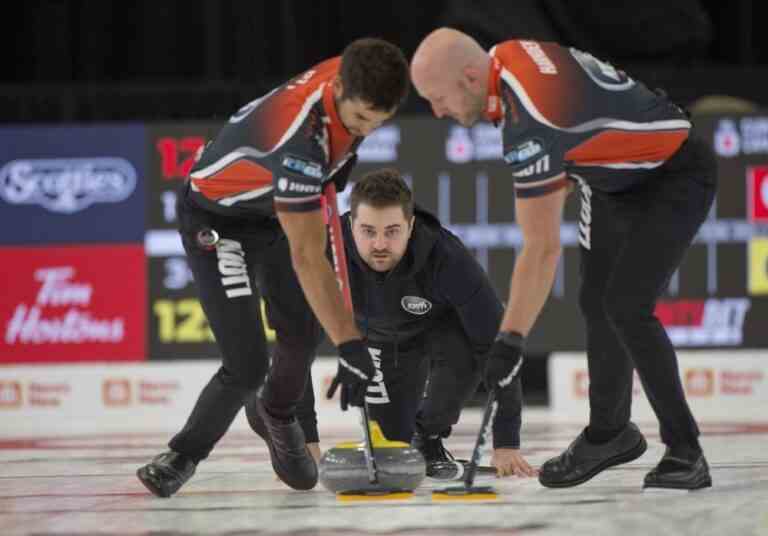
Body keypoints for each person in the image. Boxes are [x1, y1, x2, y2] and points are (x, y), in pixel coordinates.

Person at [410, 28, 716, 490]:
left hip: (673, 174)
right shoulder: (505, 57)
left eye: (439, 98)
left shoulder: (528, 118)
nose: (438, 112)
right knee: (596, 301)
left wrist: (509, 343)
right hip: (613, 179)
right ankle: (610, 433)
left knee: (626, 306)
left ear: (471, 77)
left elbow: (541, 248)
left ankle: (685, 451)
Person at [136, 38, 410, 497]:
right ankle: (183, 455)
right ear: (339, 88)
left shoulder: (353, 72)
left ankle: (276, 411)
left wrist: (345, 154)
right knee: (246, 365)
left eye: (379, 122)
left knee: (302, 330)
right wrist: (351, 344)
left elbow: (342, 136)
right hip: (218, 219)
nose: (368, 127)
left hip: (269, 209)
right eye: (361, 118)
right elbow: (308, 255)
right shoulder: (300, 139)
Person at [271, 168, 537, 479]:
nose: (380, 244)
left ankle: (430, 436)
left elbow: (497, 346)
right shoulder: (322, 252)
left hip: (439, 329)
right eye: (368, 231)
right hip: (377, 340)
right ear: (350, 224)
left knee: (466, 349)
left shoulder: (446, 256)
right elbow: (295, 345)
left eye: (392, 231)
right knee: (394, 448)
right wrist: (306, 438)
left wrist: (506, 442)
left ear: (411, 226)